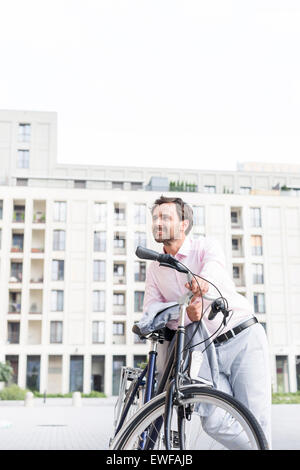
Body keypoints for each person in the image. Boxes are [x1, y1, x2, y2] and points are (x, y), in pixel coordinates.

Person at [141, 195, 272, 448]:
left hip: (242, 337)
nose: (158, 222)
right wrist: (180, 310)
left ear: (184, 224)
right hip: (204, 350)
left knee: (257, 420)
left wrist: (202, 283)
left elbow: (214, 268)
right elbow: (151, 311)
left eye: (165, 217)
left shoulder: (205, 247)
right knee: (213, 420)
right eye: (155, 217)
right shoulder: (155, 269)